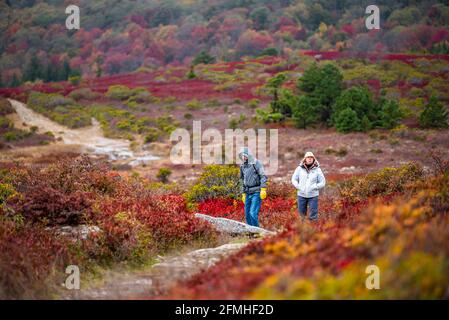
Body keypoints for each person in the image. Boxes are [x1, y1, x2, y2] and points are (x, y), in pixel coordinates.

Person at [291, 151, 326, 221]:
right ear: (305, 159)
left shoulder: (317, 169)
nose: (309, 159)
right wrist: (298, 186)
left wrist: (315, 186)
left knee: (313, 216)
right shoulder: (299, 168)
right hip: (301, 195)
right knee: (301, 216)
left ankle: (313, 230)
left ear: (313, 159)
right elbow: (293, 179)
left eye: (311, 157)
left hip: (313, 196)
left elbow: (323, 182)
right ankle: (302, 230)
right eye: (308, 157)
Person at [239, 147, 267, 227]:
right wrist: (243, 193)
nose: (243, 157)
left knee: (252, 213)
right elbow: (242, 180)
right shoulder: (242, 166)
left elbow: (263, 176)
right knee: (247, 214)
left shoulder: (256, 163)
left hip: (256, 192)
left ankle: (257, 232)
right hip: (247, 193)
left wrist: (263, 189)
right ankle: (251, 233)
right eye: (241, 156)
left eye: (244, 155)